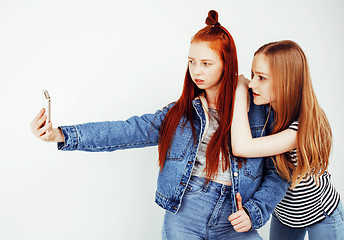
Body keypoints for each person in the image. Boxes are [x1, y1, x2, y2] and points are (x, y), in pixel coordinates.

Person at [31, 10, 288, 239]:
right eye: (191, 62)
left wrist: (255, 212)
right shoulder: (181, 113)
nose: (196, 71)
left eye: (207, 63)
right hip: (185, 215)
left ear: (226, 64)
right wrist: (61, 134)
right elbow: (128, 130)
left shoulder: (259, 112)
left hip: (234, 220)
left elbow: (279, 172)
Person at [231, 40, 344, 240]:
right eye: (252, 75)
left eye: (262, 78)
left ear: (287, 82)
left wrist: (240, 94)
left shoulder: (301, 126)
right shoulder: (265, 113)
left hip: (321, 214)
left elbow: (242, 147)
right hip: (285, 217)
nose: (252, 84)